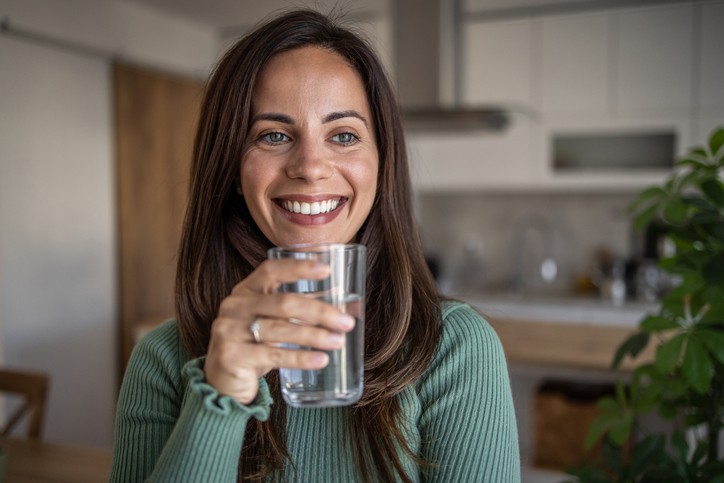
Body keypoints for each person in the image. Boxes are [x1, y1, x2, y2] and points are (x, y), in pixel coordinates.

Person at [109, 8, 520, 483]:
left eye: (343, 135)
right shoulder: (162, 359)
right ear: (233, 172)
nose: (310, 166)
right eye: (274, 135)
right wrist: (220, 396)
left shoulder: (455, 349)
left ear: (381, 164)